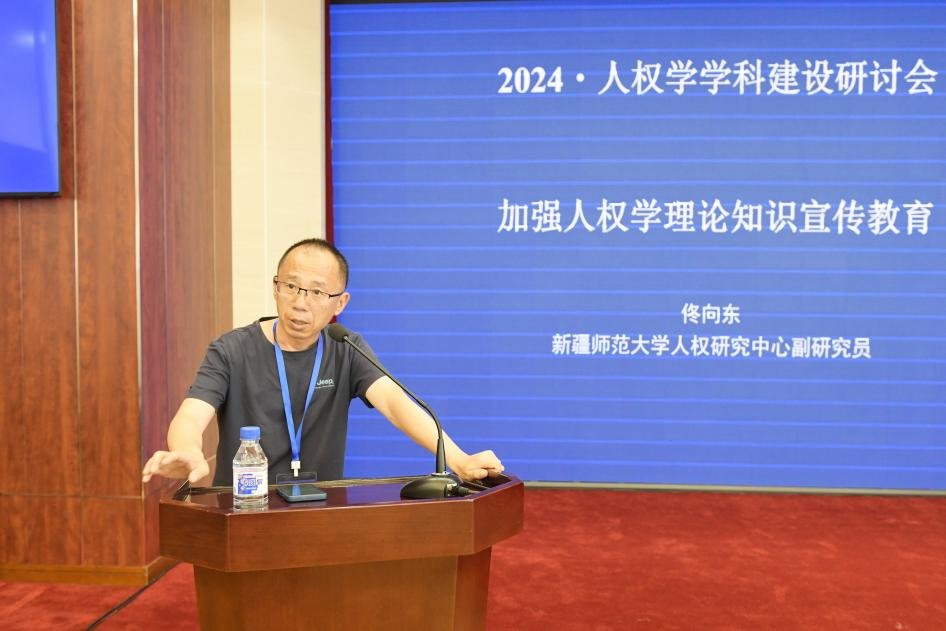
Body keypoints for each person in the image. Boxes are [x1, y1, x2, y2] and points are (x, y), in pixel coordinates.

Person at [141, 238, 504, 486]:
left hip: (319, 510)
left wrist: (458, 459)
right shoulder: (231, 349)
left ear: (339, 303)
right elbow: (192, 414)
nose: (301, 302)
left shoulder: (345, 348)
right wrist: (187, 450)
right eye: (291, 287)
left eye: (317, 292)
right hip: (242, 506)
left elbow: (395, 404)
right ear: (275, 287)